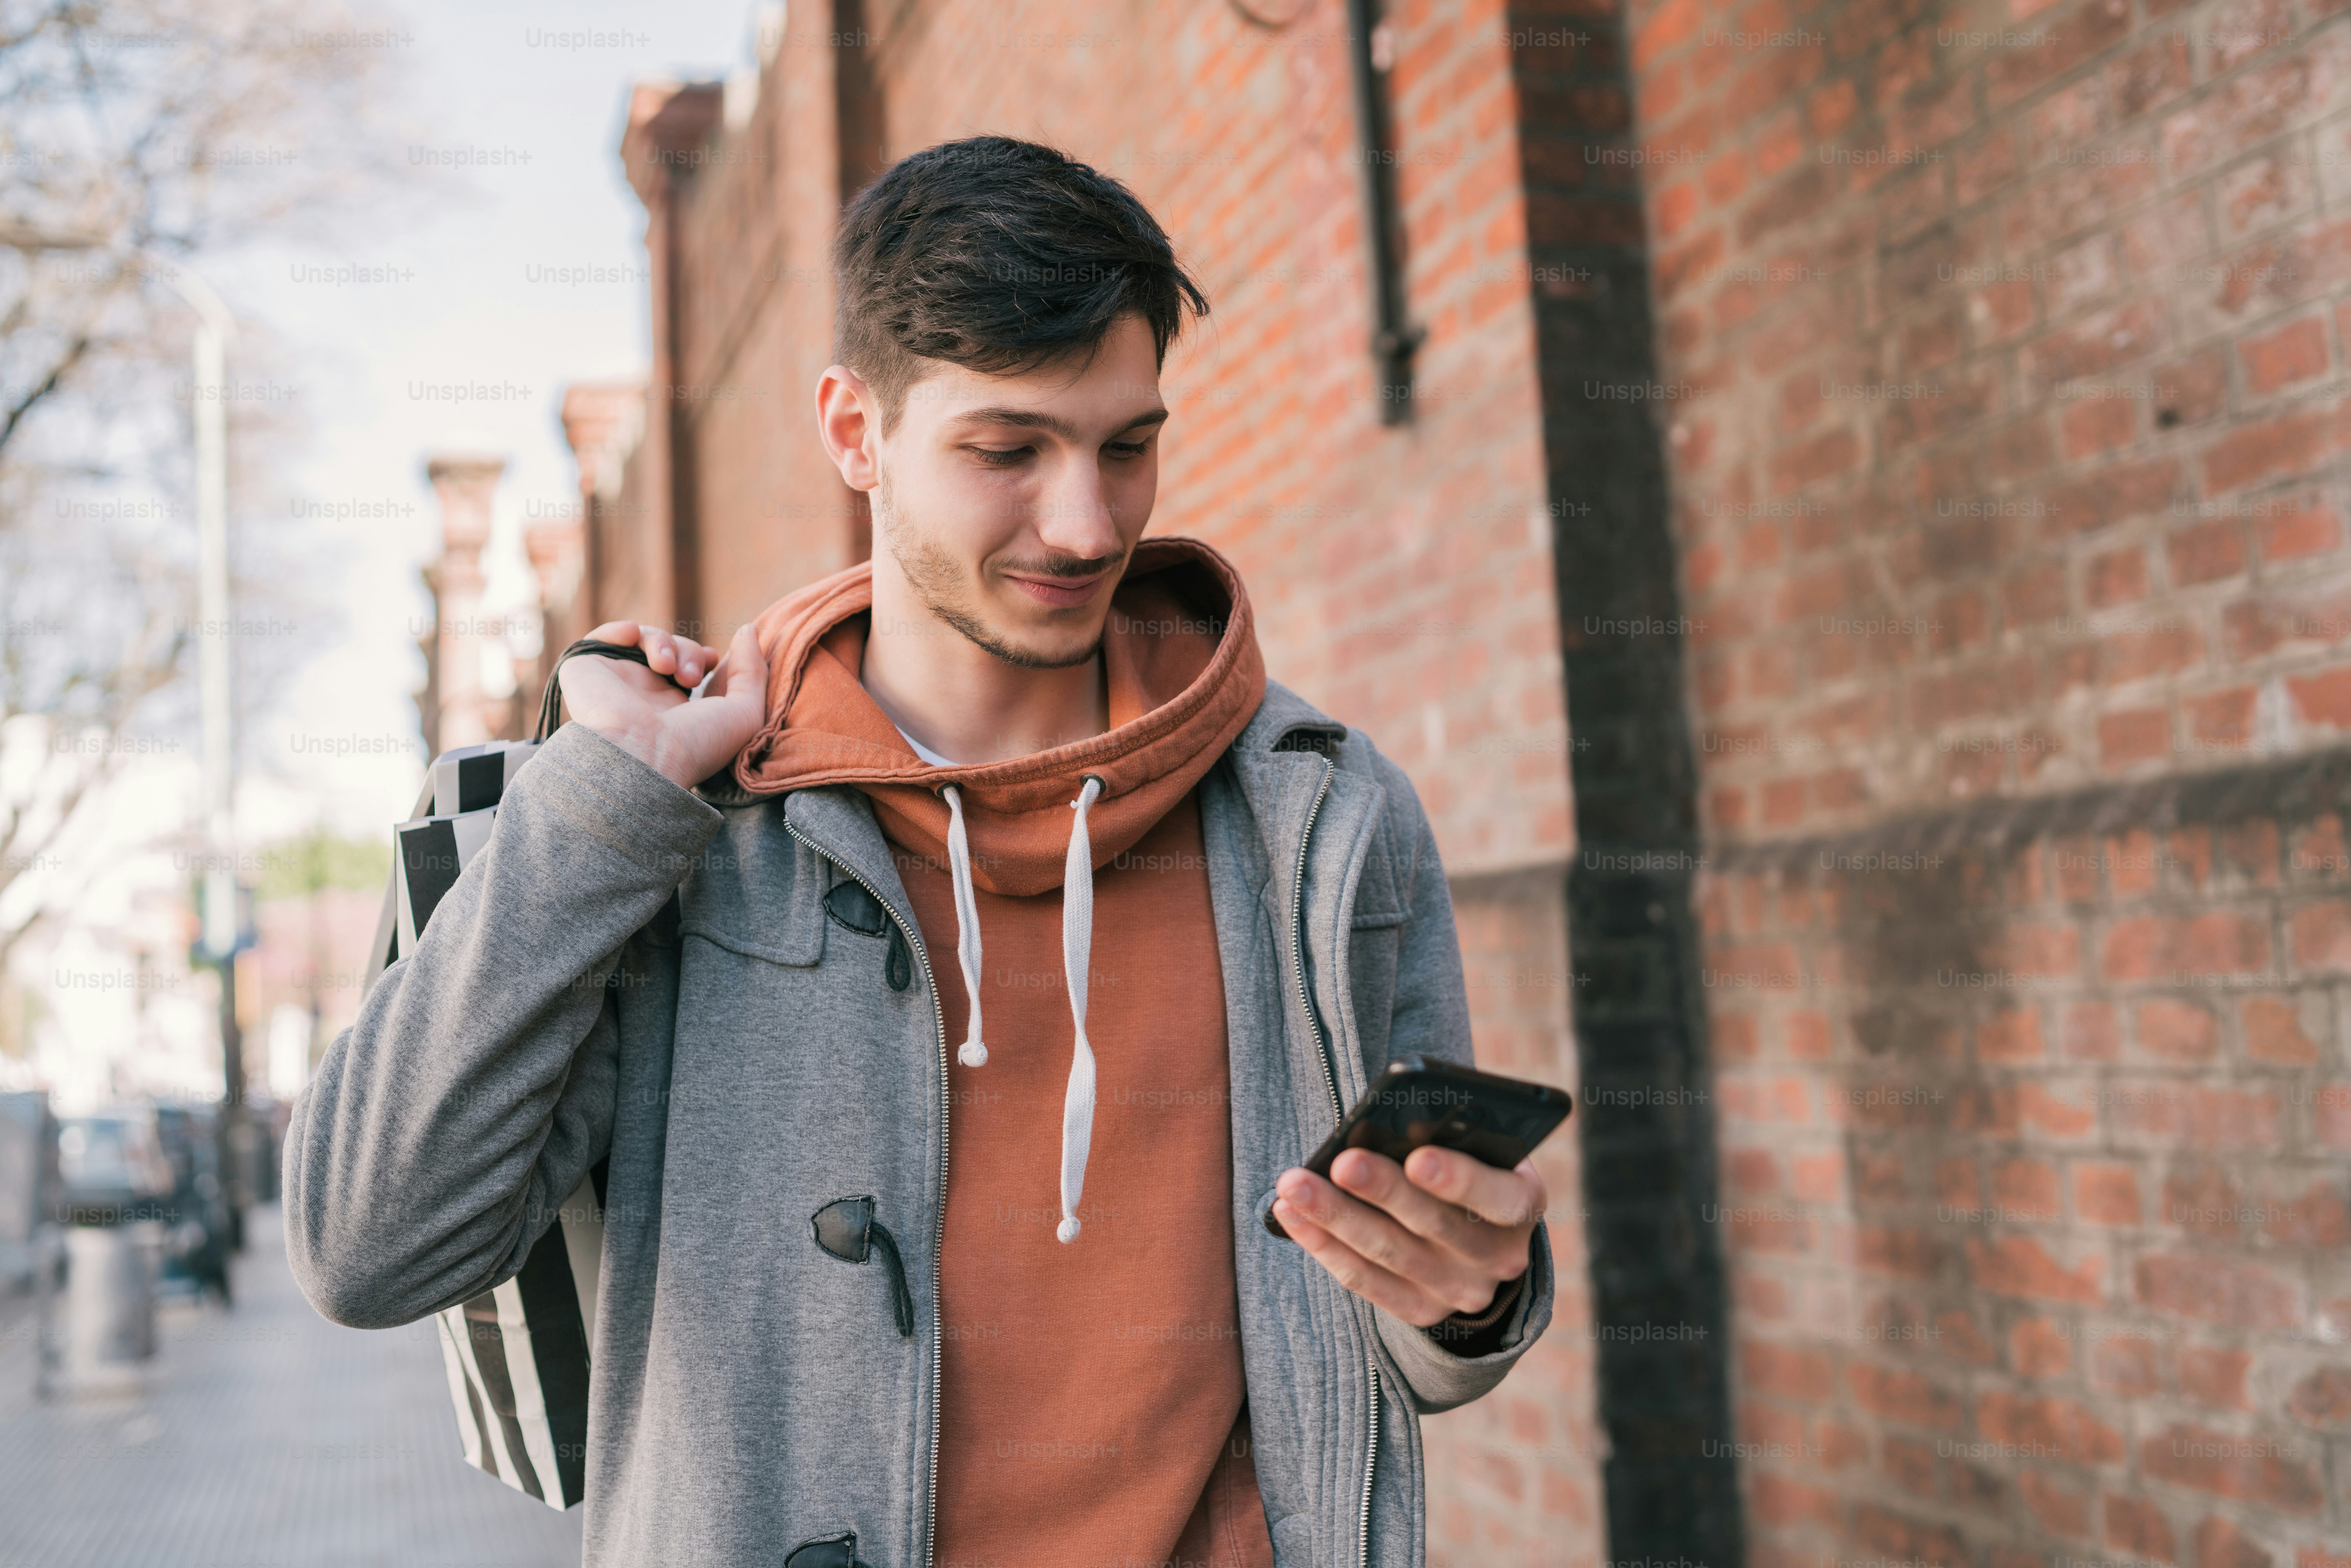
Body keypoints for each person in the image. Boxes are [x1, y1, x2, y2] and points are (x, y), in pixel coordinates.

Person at [286, 134, 1554, 1568]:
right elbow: (369, 1248)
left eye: (1127, 446)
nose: (1086, 525)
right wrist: (595, 815)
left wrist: (1472, 1297)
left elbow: (1417, 1344)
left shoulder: (1325, 819)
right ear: (856, 431)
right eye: (1007, 450)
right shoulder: (684, 833)